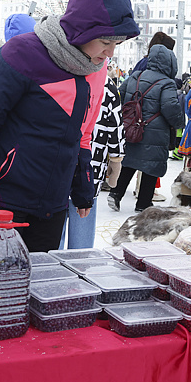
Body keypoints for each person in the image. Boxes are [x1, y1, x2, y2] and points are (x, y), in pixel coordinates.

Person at [0, 0, 139, 252]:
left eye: (117, 43)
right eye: (106, 42)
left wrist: (83, 185)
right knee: (1, 275)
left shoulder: (91, 66)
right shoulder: (21, 53)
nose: (110, 52)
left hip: (52, 206)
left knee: (43, 275)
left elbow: (78, 133)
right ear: (82, 30)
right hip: (5, 201)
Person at [107, 44, 184, 213]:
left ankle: (116, 193)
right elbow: (170, 107)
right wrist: (179, 123)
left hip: (131, 128)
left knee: (129, 161)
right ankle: (143, 203)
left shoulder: (136, 76)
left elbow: (119, 95)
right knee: (151, 166)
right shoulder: (167, 83)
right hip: (155, 132)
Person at [61, 67, 123, 249]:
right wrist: (116, 158)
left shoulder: (58, 73)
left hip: (59, 164)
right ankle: (80, 261)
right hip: (91, 167)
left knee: (53, 230)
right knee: (83, 229)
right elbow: (115, 126)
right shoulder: (106, 84)